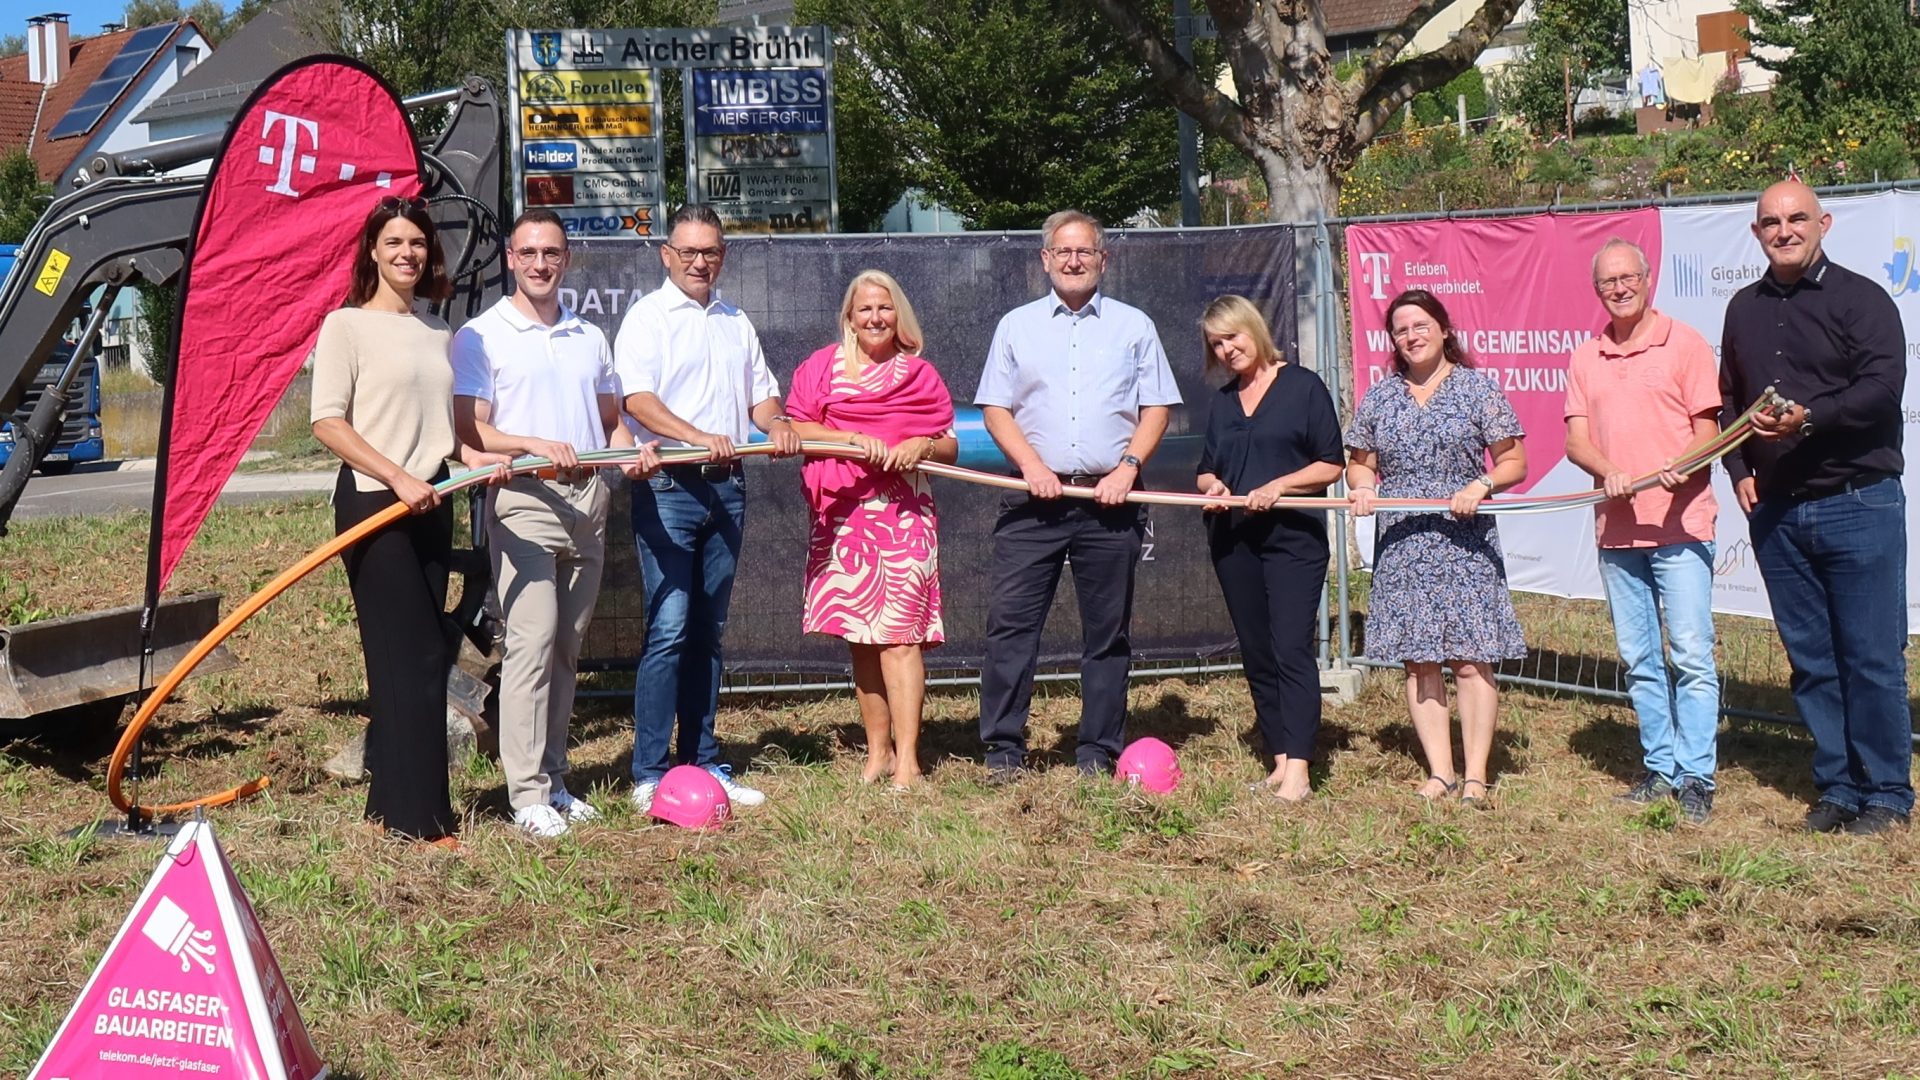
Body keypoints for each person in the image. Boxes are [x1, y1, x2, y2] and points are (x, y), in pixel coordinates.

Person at [309, 196, 511, 848]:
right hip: (375, 502)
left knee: (410, 656)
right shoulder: (345, 326)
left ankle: (386, 801)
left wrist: (475, 459)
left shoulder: (436, 330)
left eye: (417, 243)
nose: (407, 253)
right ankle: (423, 820)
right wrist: (395, 475)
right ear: (373, 250)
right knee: (417, 655)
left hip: (432, 501)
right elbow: (328, 422)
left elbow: (443, 431)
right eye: (394, 242)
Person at [451, 208, 659, 839]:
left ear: (566, 261)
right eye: (528, 253)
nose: (540, 264)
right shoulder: (481, 336)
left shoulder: (588, 336)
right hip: (523, 498)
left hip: (587, 502)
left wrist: (632, 451)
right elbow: (471, 431)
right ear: (510, 259)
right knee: (532, 643)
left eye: (552, 254)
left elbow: (610, 422)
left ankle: (555, 782)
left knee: (567, 649)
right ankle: (525, 794)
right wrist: (534, 445)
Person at [1721, 180, 1912, 835]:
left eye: (1796, 218)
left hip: (1858, 503)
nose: (1784, 230)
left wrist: (1811, 418)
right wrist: (1738, 467)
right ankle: (1838, 787)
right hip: (1779, 515)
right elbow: (1731, 403)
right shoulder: (1742, 309)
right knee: (1813, 662)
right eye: (1770, 221)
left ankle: (1887, 793)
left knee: (1872, 659)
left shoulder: (1862, 300)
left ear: (1823, 223)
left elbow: (1883, 391)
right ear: (1756, 233)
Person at [973, 209, 1182, 781]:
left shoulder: (1133, 326)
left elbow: (1156, 407)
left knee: (1107, 634)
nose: (1073, 261)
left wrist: (1127, 468)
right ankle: (1004, 750)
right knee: (1011, 627)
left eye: (1084, 252)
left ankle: (1098, 752)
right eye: (1062, 252)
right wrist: (1032, 464)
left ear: (1103, 259)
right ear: (1044, 259)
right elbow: (995, 408)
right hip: (1030, 499)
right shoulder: (1015, 326)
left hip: (1109, 502)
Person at [614, 204, 801, 812]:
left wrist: (778, 426)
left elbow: (762, 398)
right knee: (668, 629)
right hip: (670, 488)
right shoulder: (647, 318)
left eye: (711, 252)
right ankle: (648, 771)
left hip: (727, 487)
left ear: (723, 256)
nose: (700, 262)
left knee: (708, 632)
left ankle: (704, 761)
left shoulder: (734, 319)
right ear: (666, 255)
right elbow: (638, 401)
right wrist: (695, 436)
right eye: (688, 251)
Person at [1346, 289, 1527, 809]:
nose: (1411, 335)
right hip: (1403, 542)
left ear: (1444, 329)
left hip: (1464, 540)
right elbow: (1361, 462)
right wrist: (1363, 485)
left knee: (1470, 660)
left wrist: (1483, 485)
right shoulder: (1382, 396)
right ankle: (1440, 772)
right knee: (1419, 662)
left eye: (1421, 325)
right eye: (1401, 329)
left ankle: (1475, 775)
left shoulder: (1476, 390)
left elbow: (1515, 461)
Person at [1563, 238, 1724, 824]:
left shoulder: (1684, 344)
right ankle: (1660, 768)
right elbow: (1576, 440)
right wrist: (1609, 473)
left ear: (1649, 278)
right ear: (1597, 290)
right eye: (1608, 282)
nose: (1620, 288)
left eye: (1629, 277)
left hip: (1681, 528)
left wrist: (1684, 464)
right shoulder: (1585, 357)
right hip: (1618, 532)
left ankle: (1697, 776)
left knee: (1690, 657)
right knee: (1639, 659)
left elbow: (1708, 431)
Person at [784, 270, 959, 789]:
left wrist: (920, 447)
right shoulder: (821, 368)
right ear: (849, 318)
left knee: (900, 639)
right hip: (843, 518)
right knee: (861, 639)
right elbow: (797, 425)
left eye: (884, 308)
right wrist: (853, 438)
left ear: (897, 314)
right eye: (865, 309)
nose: (875, 317)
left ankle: (908, 760)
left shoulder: (920, 375)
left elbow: (948, 444)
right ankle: (877, 753)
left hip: (902, 516)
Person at [1195, 296, 1344, 802]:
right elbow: (1206, 467)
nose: (1226, 348)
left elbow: (1331, 464)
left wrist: (1281, 487)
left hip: (1293, 540)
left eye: (1232, 336)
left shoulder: (1303, 386)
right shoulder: (1222, 401)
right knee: (1257, 652)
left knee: (1290, 649)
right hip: (1234, 540)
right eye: (1217, 343)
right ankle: (1280, 759)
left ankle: (1302, 768)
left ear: (1254, 331)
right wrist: (1213, 486)